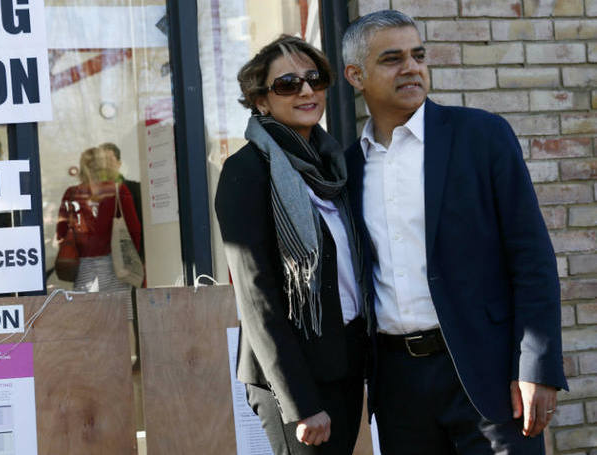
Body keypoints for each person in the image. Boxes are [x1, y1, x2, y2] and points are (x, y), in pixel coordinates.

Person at [340, 10, 567, 454]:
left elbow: (532, 258)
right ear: (355, 75)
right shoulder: (348, 167)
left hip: (490, 376)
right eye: (392, 59)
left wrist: (537, 367)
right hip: (398, 385)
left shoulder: (481, 136)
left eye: (418, 55)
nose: (411, 67)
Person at [215, 35, 368, 454]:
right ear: (261, 100)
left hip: (345, 366)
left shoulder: (335, 166)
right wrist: (300, 402)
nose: (305, 90)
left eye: (314, 79)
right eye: (287, 84)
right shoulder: (245, 172)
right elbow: (256, 296)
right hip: (296, 381)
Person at [56, 147, 141, 292]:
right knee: (118, 312)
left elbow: (61, 232)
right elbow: (134, 231)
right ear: (105, 165)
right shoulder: (118, 190)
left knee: (88, 312)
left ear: (82, 166)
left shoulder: (72, 193)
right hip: (116, 266)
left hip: (84, 269)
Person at [98, 142, 144, 260]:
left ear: (119, 163)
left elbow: (142, 227)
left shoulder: (134, 189)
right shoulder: (91, 194)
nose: (105, 165)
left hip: (129, 259)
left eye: (109, 160)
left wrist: (140, 259)